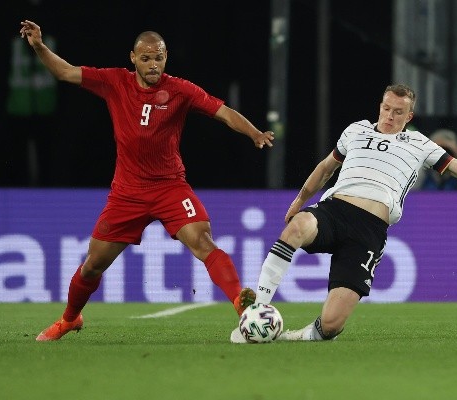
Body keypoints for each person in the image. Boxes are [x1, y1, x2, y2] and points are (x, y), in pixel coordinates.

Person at [231, 83, 457, 343]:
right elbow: (326, 168)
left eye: (398, 112)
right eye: (386, 108)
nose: (390, 116)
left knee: (331, 325)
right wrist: (299, 200)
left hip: (369, 230)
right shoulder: (356, 131)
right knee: (297, 227)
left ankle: (300, 336)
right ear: (380, 105)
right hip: (335, 209)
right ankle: (258, 308)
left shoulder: (419, 145)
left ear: (409, 115)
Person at [19, 20, 273, 341]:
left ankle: (242, 304)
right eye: (146, 58)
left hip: (170, 188)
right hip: (127, 193)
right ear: (133, 58)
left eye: (159, 58)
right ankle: (70, 319)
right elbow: (66, 72)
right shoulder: (113, 82)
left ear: (166, 58)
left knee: (203, 242)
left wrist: (253, 133)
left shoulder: (180, 89)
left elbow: (222, 112)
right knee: (92, 267)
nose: (153, 65)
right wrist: (40, 46)